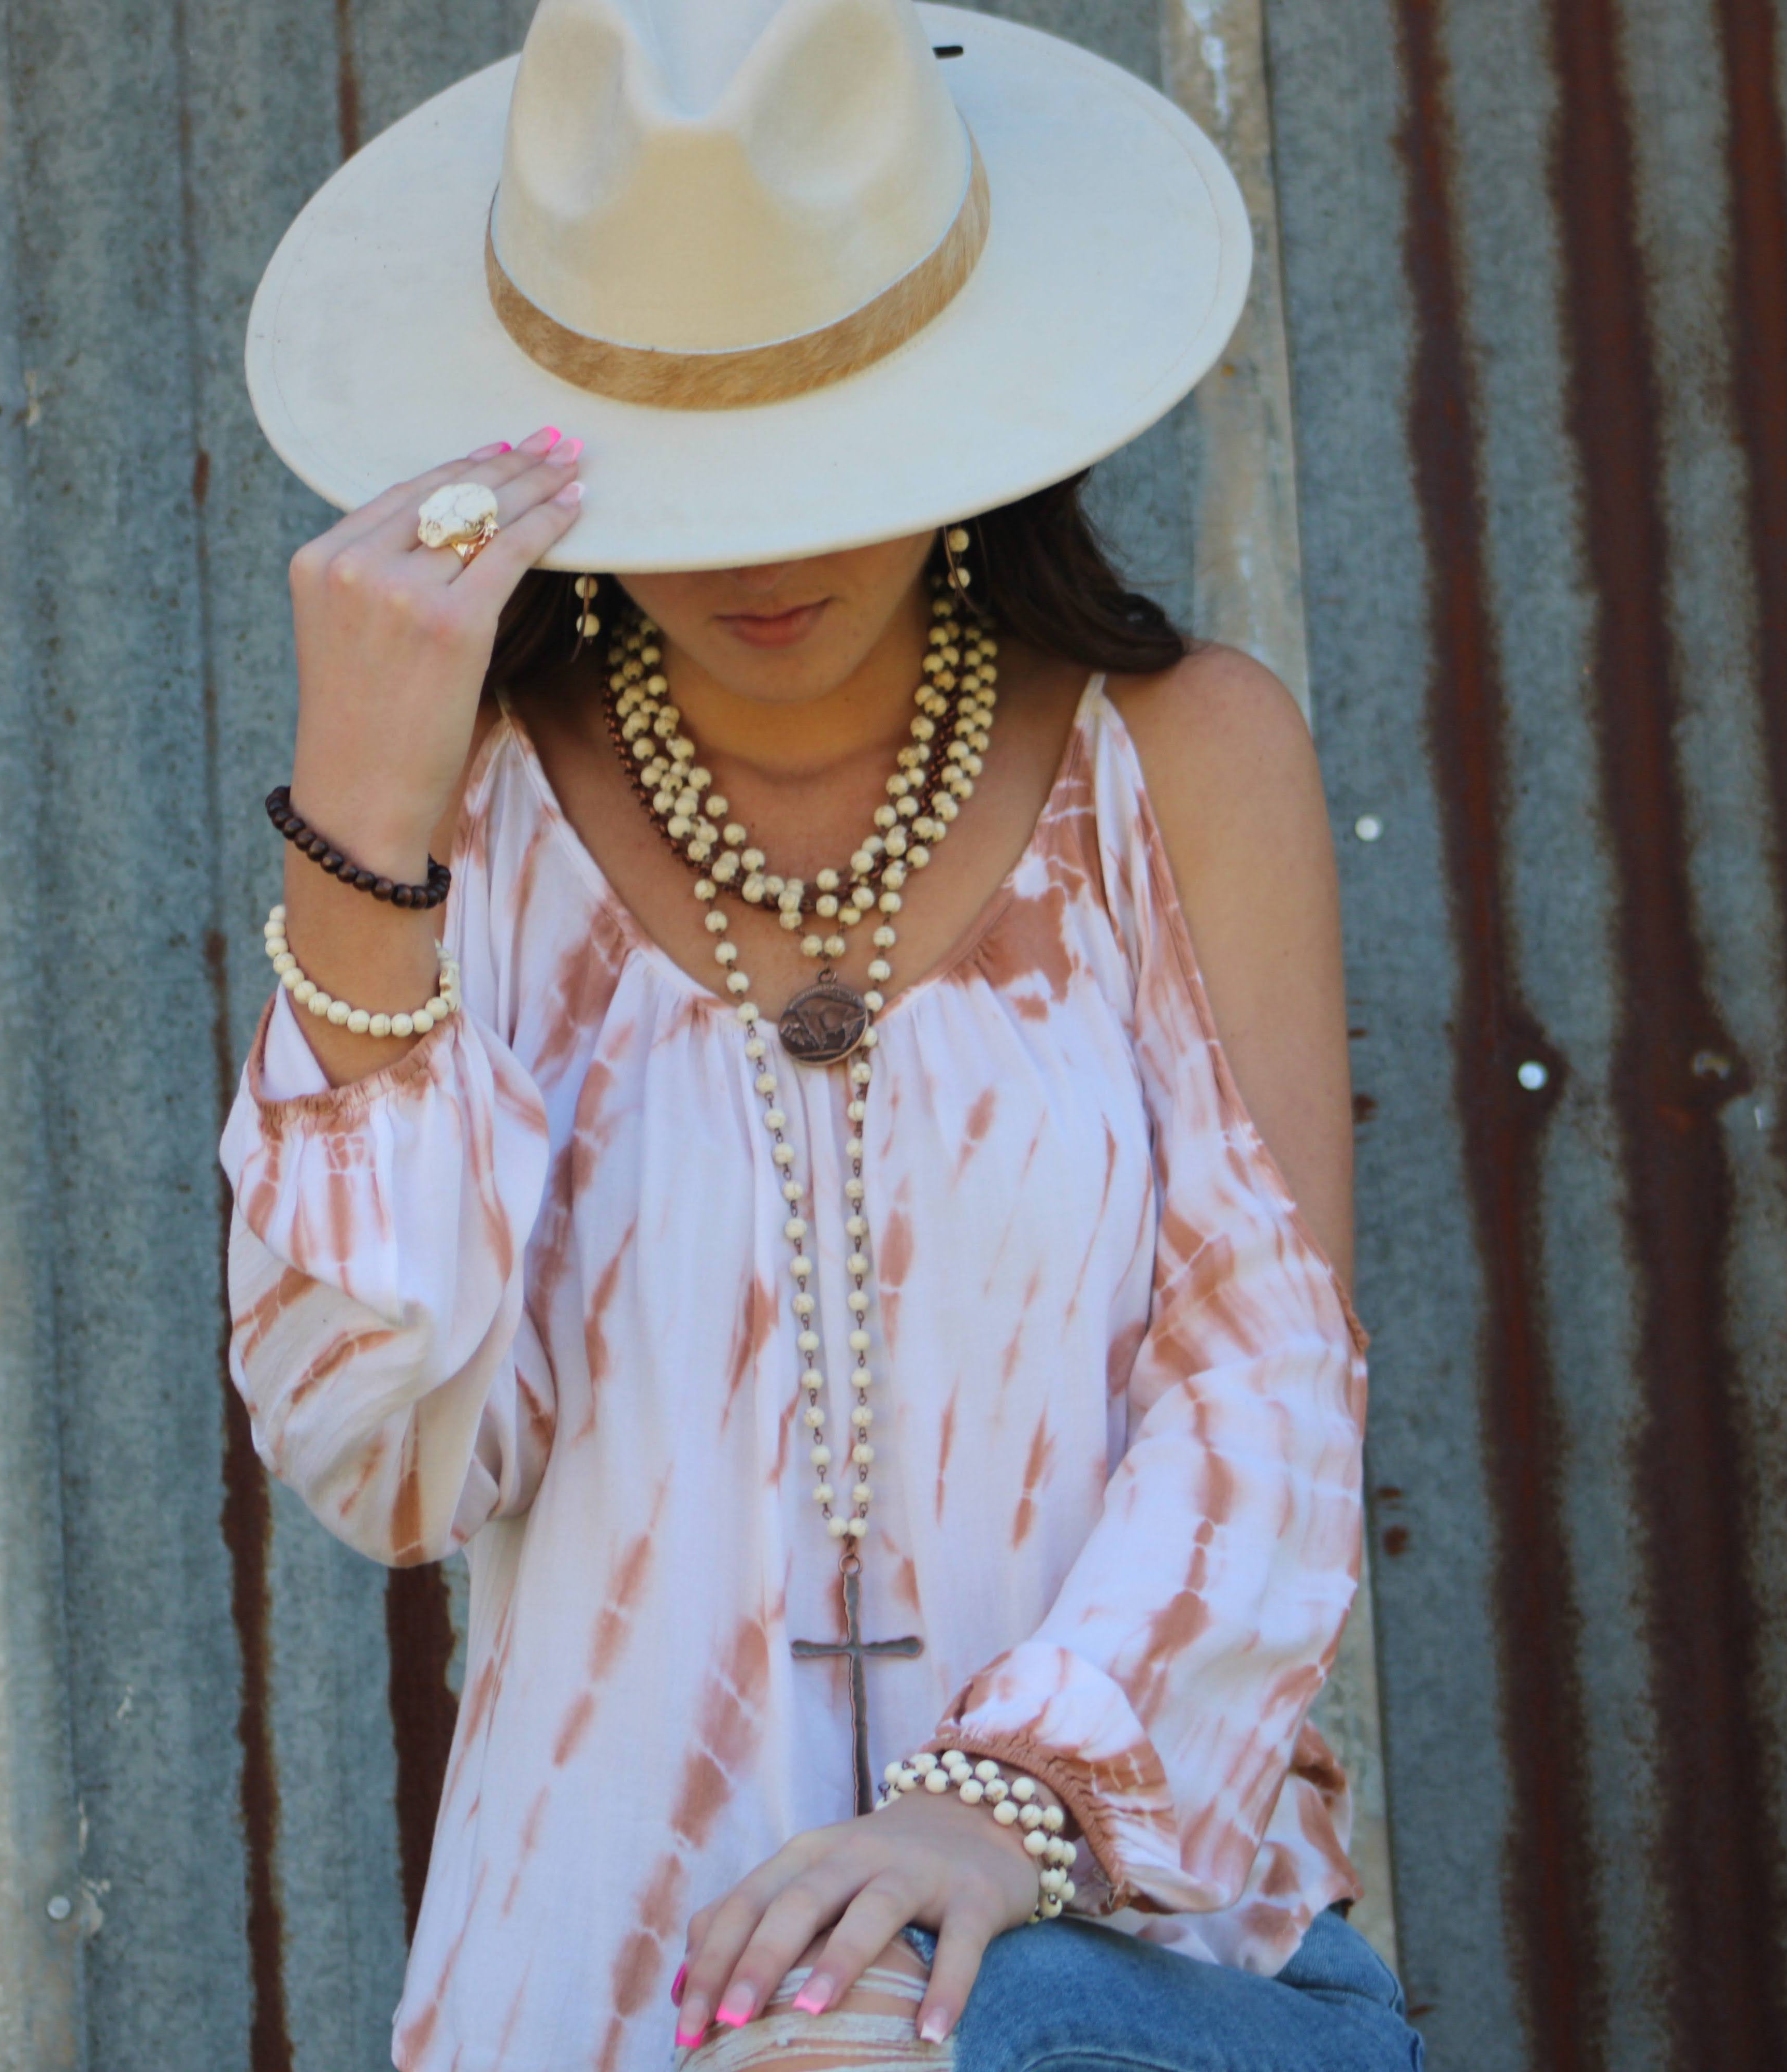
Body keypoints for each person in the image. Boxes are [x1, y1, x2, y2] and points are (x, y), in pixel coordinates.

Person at [223, 3, 1423, 2068]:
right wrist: (360, 831)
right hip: (590, 1997)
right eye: (695, 471)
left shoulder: (1179, 759)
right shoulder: (469, 823)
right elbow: (395, 1467)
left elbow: (1268, 1386)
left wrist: (1001, 1807)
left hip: (1099, 1976)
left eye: (828, 444)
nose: (765, 548)